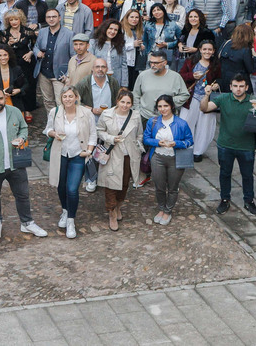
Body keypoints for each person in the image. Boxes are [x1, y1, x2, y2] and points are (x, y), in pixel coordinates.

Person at [0, 88, 48, 240]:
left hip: (15, 163)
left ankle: (27, 222)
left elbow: (24, 128)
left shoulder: (15, 112)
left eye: (0, 99)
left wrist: (22, 138)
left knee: (23, 195)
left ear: (5, 98)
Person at [200, 74, 256, 216]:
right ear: (230, 87)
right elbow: (204, 108)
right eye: (235, 86)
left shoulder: (253, 100)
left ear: (246, 87)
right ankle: (225, 199)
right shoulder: (223, 99)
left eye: (241, 86)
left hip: (246, 146)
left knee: (247, 175)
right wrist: (206, 95)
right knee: (224, 173)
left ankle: (249, 200)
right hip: (226, 145)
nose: (238, 89)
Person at [44, 86, 96, 239]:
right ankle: (65, 210)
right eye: (65, 96)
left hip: (78, 154)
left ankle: (71, 220)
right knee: (61, 186)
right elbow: (47, 130)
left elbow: (93, 134)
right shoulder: (55, 112)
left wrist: (89, 150)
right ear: (61, 98)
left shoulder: (86, 113)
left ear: (76, 97)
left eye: (70, 96)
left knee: (72, 189)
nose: (67, 99)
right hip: (60, 154)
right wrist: (54, 133)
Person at [142, 94, 194, 225]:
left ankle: (168, 210)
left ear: (171, 106)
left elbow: (189, 141)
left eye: (165, 106)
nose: (163, 109)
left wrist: (176, 143)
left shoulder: (181, 123)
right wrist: (158, 142)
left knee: (173, 187)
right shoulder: (152, 121)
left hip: (175, 158)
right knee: (159, 186)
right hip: (157, 157)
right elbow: (146, 139)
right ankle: (161, 208)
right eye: (160, 106)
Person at [96, 90, 141, 231]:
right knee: (110, 185)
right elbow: (99, 130)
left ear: (132, 104)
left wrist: (138, 147)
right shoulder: (107, 114)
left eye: (128, 103)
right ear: (117, 101)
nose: (125, 105)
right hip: (113, 153)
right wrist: (111, 138)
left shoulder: (136, 116)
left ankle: (118, 207)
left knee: (124, 184)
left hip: (129, 155)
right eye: (122, 102)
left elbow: (140, 134)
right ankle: (112, 212)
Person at [179, 40, 220, 161]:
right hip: (191, 97)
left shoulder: (216, 64)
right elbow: (181, 75)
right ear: (200, 50)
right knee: (186, 122)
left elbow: (220, 78)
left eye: (210, 49)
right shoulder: (191, 61)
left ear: (213, 51)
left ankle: (198, 151)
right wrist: (192, 76)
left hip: (206, 99)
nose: (207, 52)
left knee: (205, 125)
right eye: (205, 49)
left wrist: (216, 85)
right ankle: (186, 148)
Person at [34, 9, 75, 116]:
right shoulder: (42, 32)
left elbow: (73, 57)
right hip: (44, 72)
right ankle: (51, 123)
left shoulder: (69, 34)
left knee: (61, 102)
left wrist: (68, 75)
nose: (51, 19)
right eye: (48, 17)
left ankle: (62, 125)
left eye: (54, 16)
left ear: (59, 18)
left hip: (60, 75)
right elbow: (36, 46)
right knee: (47, 101)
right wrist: (37, 52)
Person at [133, 51, 190, 120]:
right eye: (151, 62)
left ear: (164, 63)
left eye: (156, 63)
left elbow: (185, 95)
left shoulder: (175, 77)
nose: (152, 65)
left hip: (167, 118)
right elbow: (135, 95)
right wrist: (137, 111)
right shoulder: (143, 75)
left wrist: (169, 101)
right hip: (145, 116)